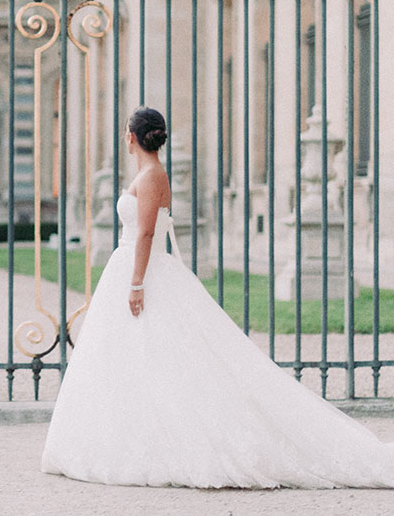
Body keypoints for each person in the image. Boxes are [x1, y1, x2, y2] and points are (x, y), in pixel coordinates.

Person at [41, 106, 394, 488]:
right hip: (132, 267)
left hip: (142, 271)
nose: (125, 137)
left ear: (134, 136)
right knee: (135, 357)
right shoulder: (148, 173)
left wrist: (137, 283)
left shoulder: (152, 176)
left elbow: (145, 234)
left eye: (127, 131)